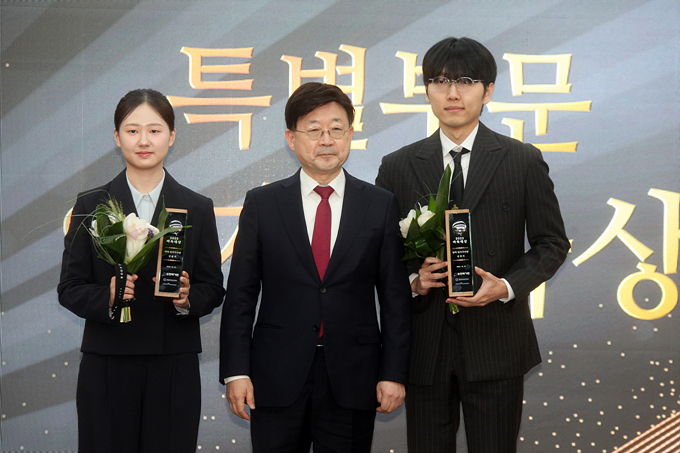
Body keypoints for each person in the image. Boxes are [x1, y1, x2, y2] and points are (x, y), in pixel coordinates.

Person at [375, 37, 570, 453]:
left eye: (465, 81)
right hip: (424, 345)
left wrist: (506, 286)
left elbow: (552, 243)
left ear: (488, 90)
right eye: (440, 81)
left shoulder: (521, 159)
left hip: (497, 341)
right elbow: (381, 251)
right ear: (426, 90)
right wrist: (414, 281)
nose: (452, 93)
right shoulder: (398, 165)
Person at [219, 82, 412, 452]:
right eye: (314, 129)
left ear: (350, 135)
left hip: (353, 375)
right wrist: (236, 371)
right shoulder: (263, 203)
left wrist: (393, 372)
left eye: (336, 129)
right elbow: (241, 295)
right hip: (275, 375)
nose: (326, 140)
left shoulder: (379, 204)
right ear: (291, 139)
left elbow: (395, 299)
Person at [58, 88, 225, 453]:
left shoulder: (196, 207)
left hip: (173, 363)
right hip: (107, 362)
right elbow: (69, 288)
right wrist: (107, 297)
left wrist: (187, 298)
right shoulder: (91, 205)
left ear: (172, 136)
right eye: (132, 130)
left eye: (155, 130)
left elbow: (213, 287)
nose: (144, 141)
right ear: (117, 137)